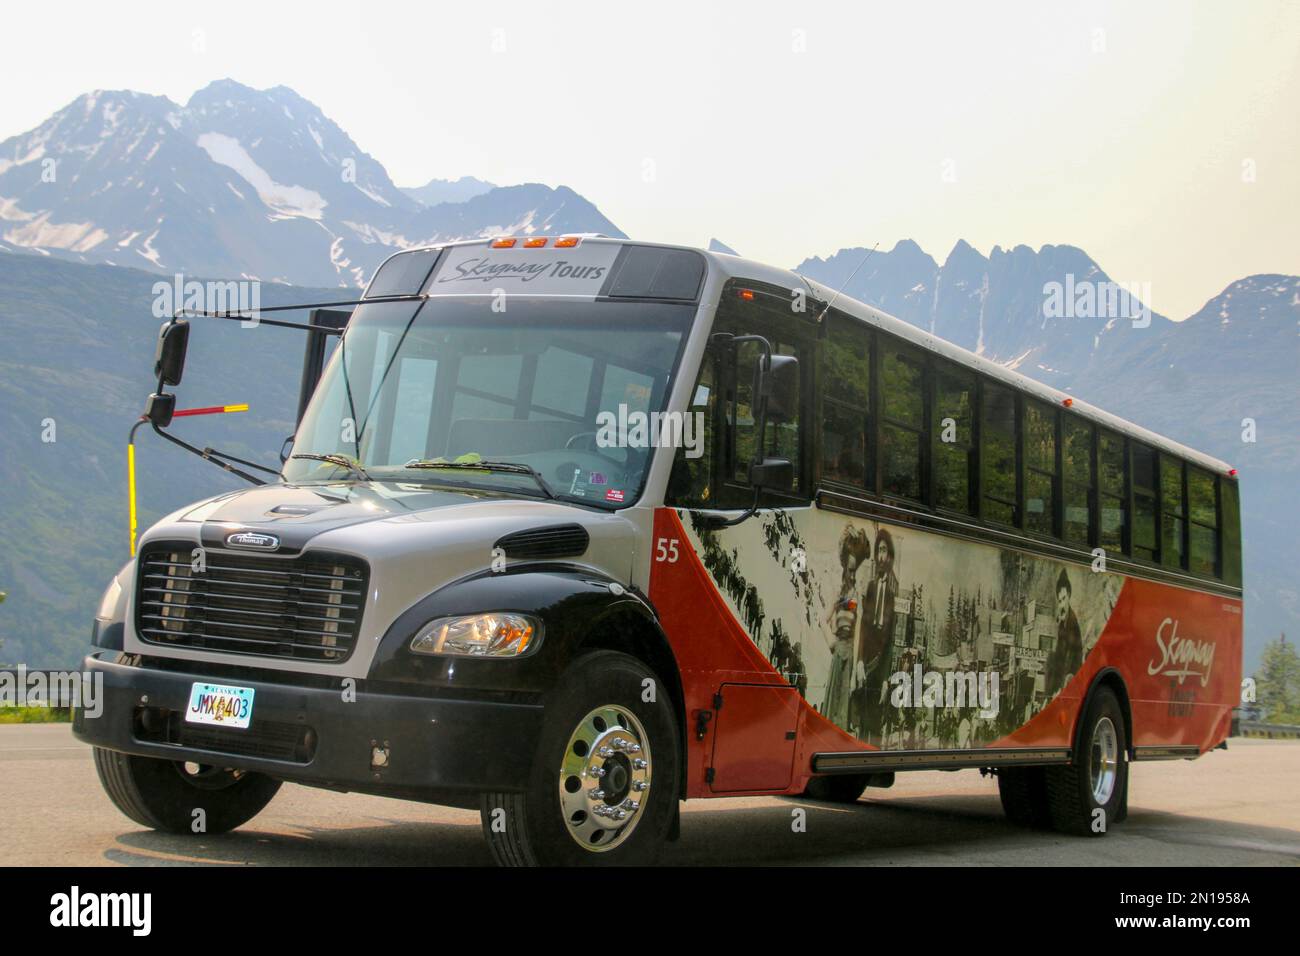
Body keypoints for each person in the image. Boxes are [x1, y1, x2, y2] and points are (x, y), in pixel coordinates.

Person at [857, 528, 899, 742]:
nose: (881, 557)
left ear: (890, 557)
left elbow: (890, 642)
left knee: (874, 723)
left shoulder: (892, 597)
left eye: (885, 552)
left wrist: (885, 680)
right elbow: (863, 627)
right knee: (861, 721)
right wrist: (859, 662)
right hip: (865, 665)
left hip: (880, 665)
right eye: (879, 551)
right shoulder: (871, 588)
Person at [1045, 567, 1083, 696]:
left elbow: (1076, 655)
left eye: (1064, 598)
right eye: (1060, 600)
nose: (1062, 604)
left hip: (1069, 680)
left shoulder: (1073, 622)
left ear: (1069, 596)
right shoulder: (1062, 622)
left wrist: (1067, 681)